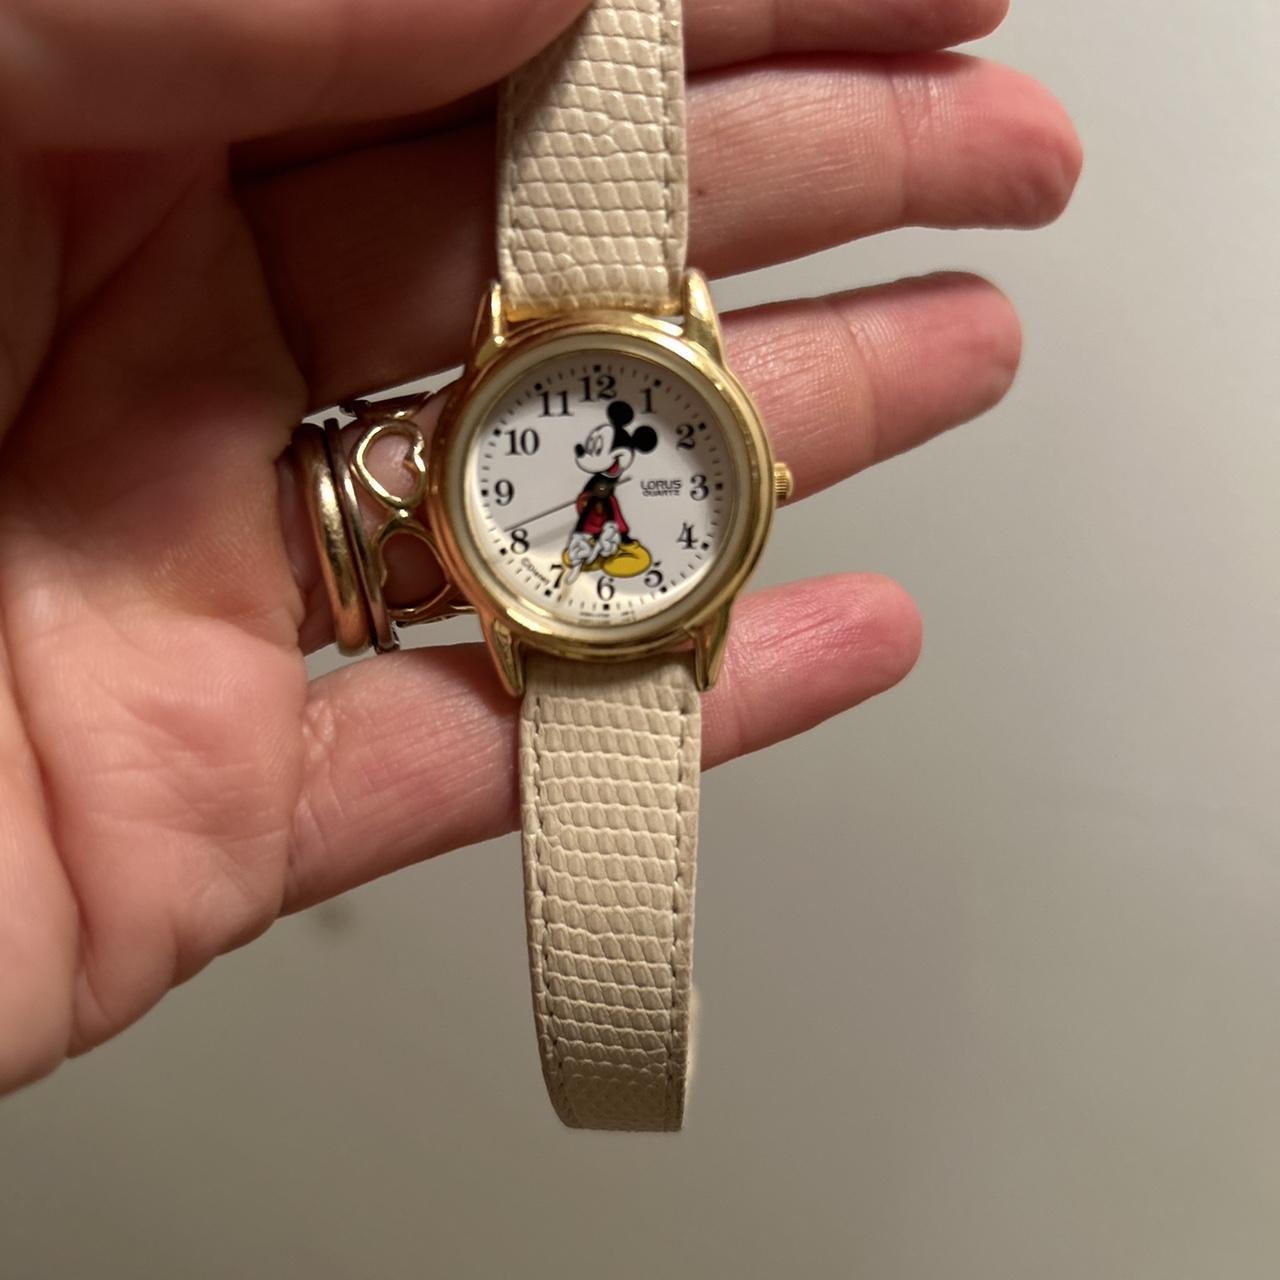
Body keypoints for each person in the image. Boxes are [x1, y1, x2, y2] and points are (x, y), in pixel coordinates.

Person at [0, 0, 1081, 1094]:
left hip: (601, 583)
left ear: (758, 483)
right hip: (560, 576)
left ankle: (620, 1061)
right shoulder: (547, 387)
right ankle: (619, 1062)